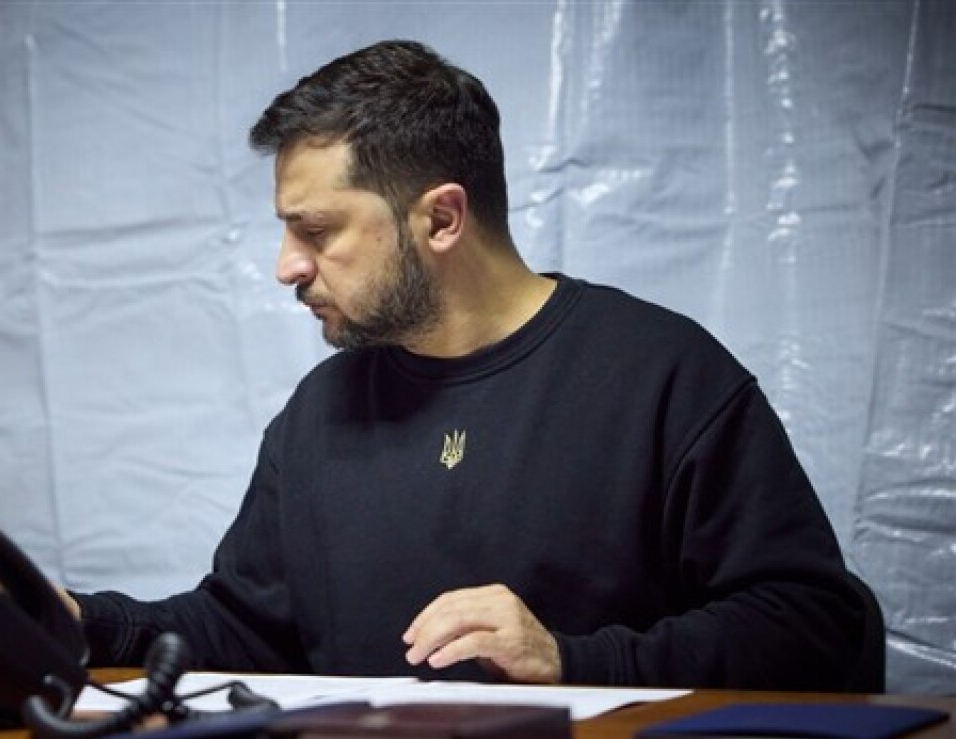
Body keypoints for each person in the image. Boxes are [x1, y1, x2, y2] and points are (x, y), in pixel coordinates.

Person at [60, 39, 880, 690]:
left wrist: (572, 659)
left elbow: (813, 626)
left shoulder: (663, 376)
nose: (287, 266)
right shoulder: (321, 411)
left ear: (442, 219)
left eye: (316, 231)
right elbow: (242, 629)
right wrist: (79, 622)